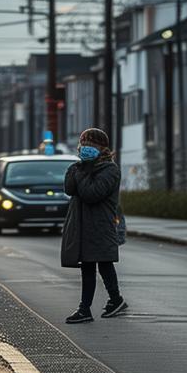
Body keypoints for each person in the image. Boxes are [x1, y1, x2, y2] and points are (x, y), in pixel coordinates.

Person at [60, 127, 126, 323]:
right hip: (81, 226)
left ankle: (92, 306)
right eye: (83, 144)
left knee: (102, 264)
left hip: (99, 225)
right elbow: (69, 189)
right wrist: (78, 168)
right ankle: (110, 301)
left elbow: (91, 194)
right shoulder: (80, 167)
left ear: (102, 147)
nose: (85, 147)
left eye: (91, 144)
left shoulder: (110, 170)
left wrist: (82, 171)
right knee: (90, 266)